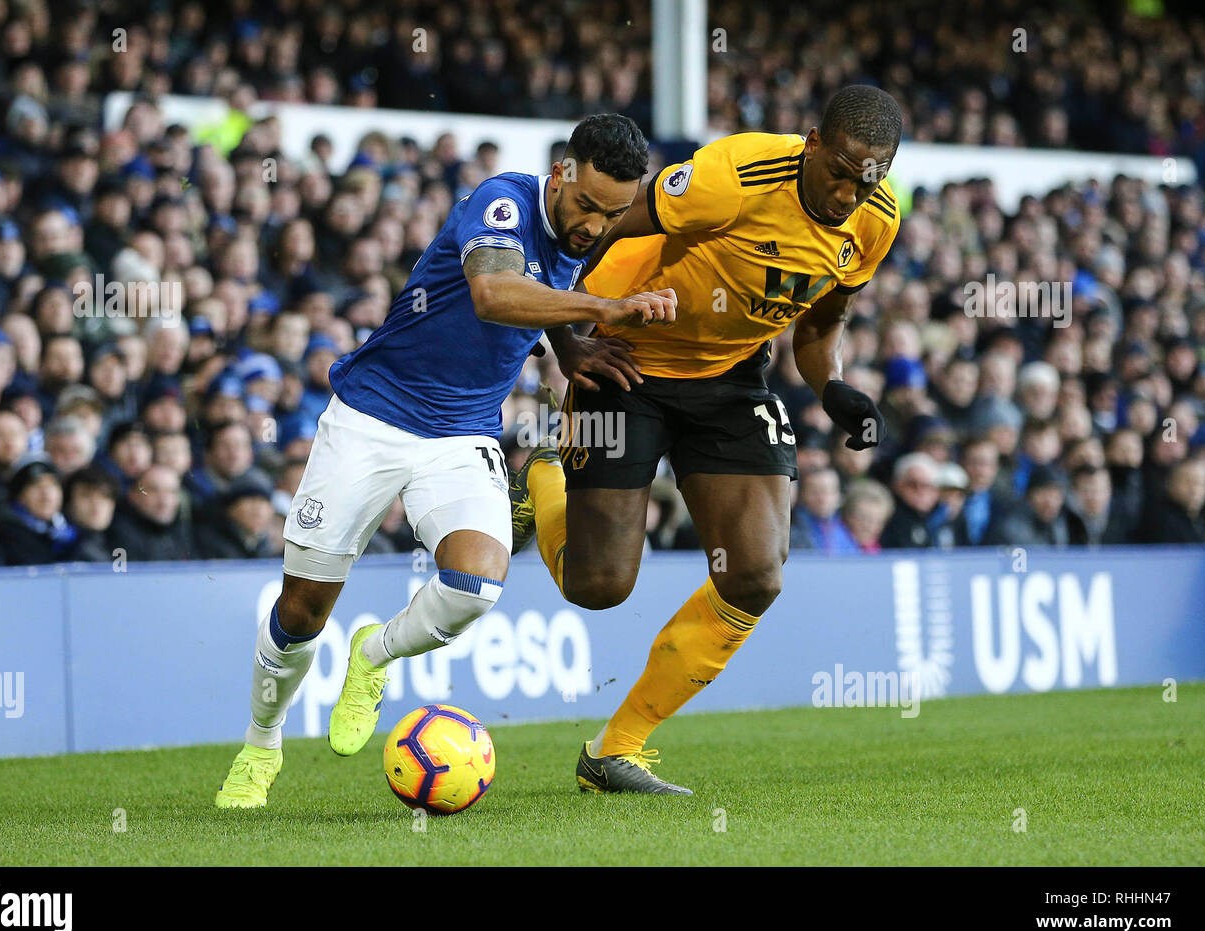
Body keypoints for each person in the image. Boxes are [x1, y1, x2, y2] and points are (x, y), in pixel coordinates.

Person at [214, 114, 676, 809]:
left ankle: (373, 656)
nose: (594, 226)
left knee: (475, 584)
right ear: (560, 175)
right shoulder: (502, 200)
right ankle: (261, 744)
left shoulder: (587, 229)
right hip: (370, 416)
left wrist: (570, 346)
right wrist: (605, 309)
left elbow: (548, 278)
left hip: (462, 435)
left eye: (612, 214)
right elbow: (494, 292)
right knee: (303, 610)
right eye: (586, 207)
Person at [509, 85, 901, 794]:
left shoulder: (876, 218)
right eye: (839, 172)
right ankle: (542, 473)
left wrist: (832, 386)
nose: (849, 194)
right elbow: (585, 232)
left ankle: (615, 750)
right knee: (597, 586)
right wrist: (566, 340)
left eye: (867, 180)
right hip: (624, 358)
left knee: (755, 575)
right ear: (811, 140)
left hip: (729, 380)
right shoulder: (733, 177)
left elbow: (820, 321)